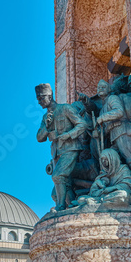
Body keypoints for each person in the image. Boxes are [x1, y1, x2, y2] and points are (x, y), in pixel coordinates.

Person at [36, 83, 87, 211]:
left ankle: (60, 206)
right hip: (56, 152)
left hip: (70, 148)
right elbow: (39, 138)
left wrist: (68, 135)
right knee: (65, 183)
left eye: (41, 98)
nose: (39, 102)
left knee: (57, 176)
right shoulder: (45, 117)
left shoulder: (65, 109)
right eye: (38, 99)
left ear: (50, 96)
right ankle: (69, 207)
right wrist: (47, 127)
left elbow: (82, 124)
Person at [94, 79, 131, 186]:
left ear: (109, 89)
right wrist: (99, 132)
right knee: (109, 160)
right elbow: (106, 129)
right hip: (114, 137)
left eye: (103, 87)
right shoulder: (102, 109)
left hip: (123, 131)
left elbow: (119, 111)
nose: (100, 89)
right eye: (98, 87)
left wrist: (102, 118)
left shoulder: (112, 98)